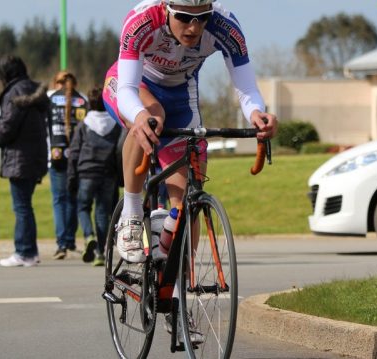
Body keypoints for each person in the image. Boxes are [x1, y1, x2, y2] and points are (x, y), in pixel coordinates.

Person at [102, 0, 278, 343]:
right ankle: (133, 213)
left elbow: (245, 87)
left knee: (186, 203)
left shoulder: (226, 27)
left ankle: (176, 299)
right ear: (167, 10)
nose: (194, 28)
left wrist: (257, 114)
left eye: (202, 19)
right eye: (184, 18)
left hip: (183, 97)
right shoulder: (142, 20)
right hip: (134, 90)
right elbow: (124, 88)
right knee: (151, 116)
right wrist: (138, 115)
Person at [0, 54, 49, 267]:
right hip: (35, 155)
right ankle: (31, 252)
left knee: (21, 207)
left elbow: (7, 128)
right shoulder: (33, 89)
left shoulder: (14, 92)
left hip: (20, 158)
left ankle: (24, 252)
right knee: (25, 206)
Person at [67, 86, 121, 267]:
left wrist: (71, 176)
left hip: (86, 172)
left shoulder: (84, 125)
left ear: (90, 103)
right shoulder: (115, 125)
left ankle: (88, 235)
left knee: (82, 207)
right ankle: (100, 252)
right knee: (102, 213)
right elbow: (120, 151)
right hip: (108, 173)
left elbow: (74, 152)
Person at [47, 71, 89, 260]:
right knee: (72, 199)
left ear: (56, 83)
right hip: (77, 157)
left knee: (58, 200)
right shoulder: (82, 100)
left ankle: (61, 243)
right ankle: (69, 240)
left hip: (55, 155)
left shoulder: (50, 98)